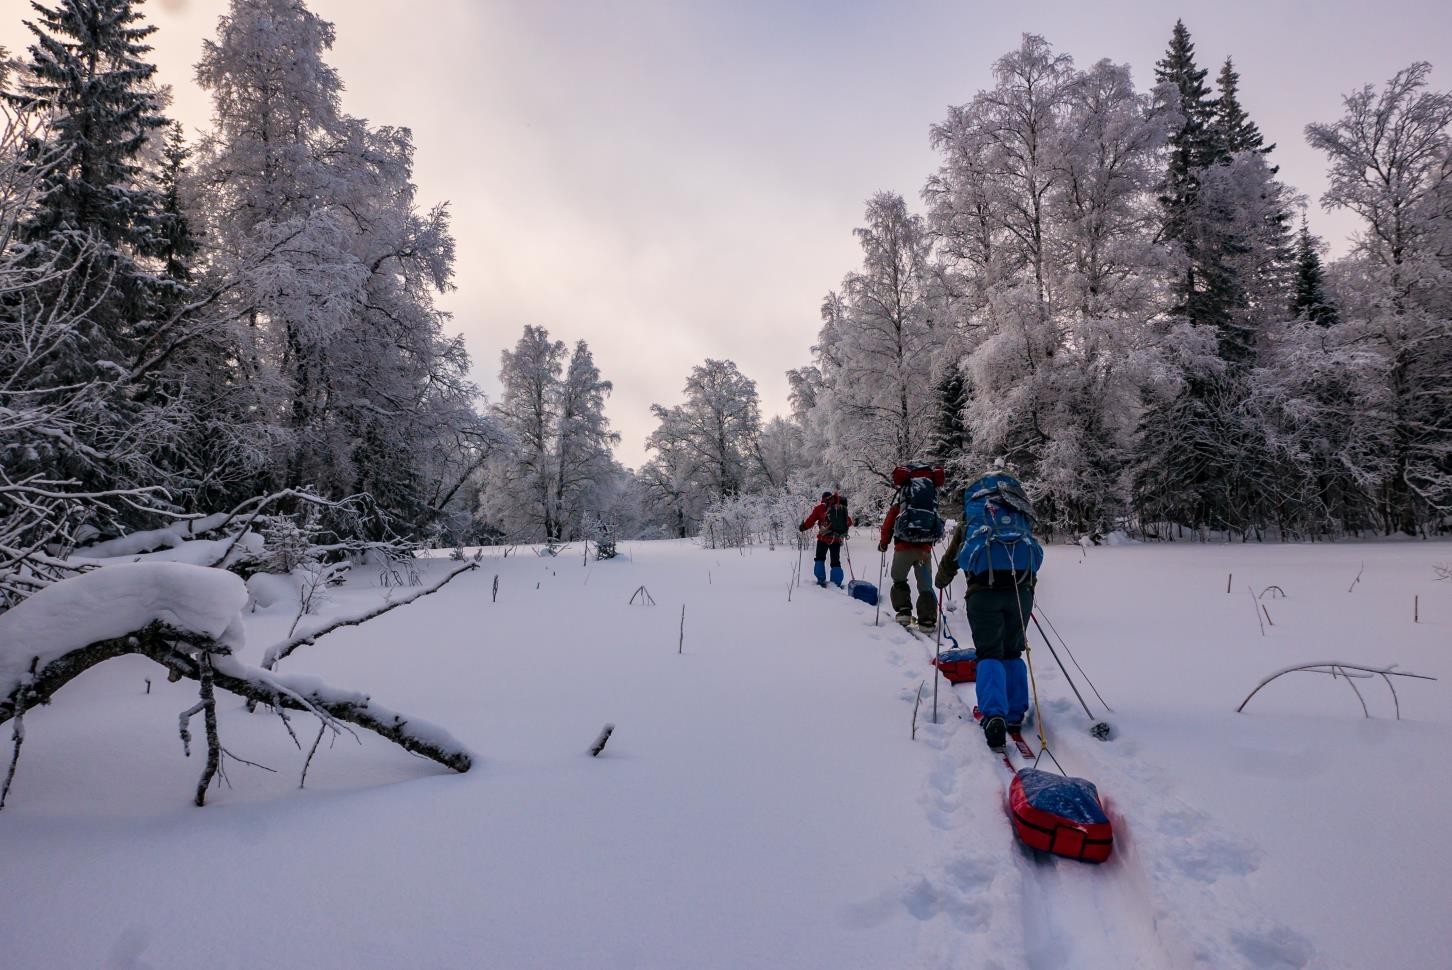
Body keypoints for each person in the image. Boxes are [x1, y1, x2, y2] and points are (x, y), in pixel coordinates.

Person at [935, 470, 1043, 750]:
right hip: (1021, 591)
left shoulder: (974, 517)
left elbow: (953, 558)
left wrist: (941, 579)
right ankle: (1015, 713)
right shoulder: (1018, 510)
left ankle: (994, 714)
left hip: (983, 593)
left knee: (989, 652)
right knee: (1013, 650)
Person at [879, 466, 945, 632]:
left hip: (903, 548)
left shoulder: (901, 505)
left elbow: (888, 524)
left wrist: (884, 542)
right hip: (924, 551)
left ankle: (903, 612)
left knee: (899, 578)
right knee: (925, 585)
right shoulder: (931, 503)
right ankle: (927, 620)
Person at [799, 491, 852, 587]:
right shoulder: (838, 508)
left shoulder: (819, 508)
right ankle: (836, 583)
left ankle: (821, 580)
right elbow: (849, 522)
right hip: (836, 539)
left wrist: (803, 527)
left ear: (823, 499)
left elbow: (811, 520)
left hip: (822, 539)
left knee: (820, 558)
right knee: (835, 562)